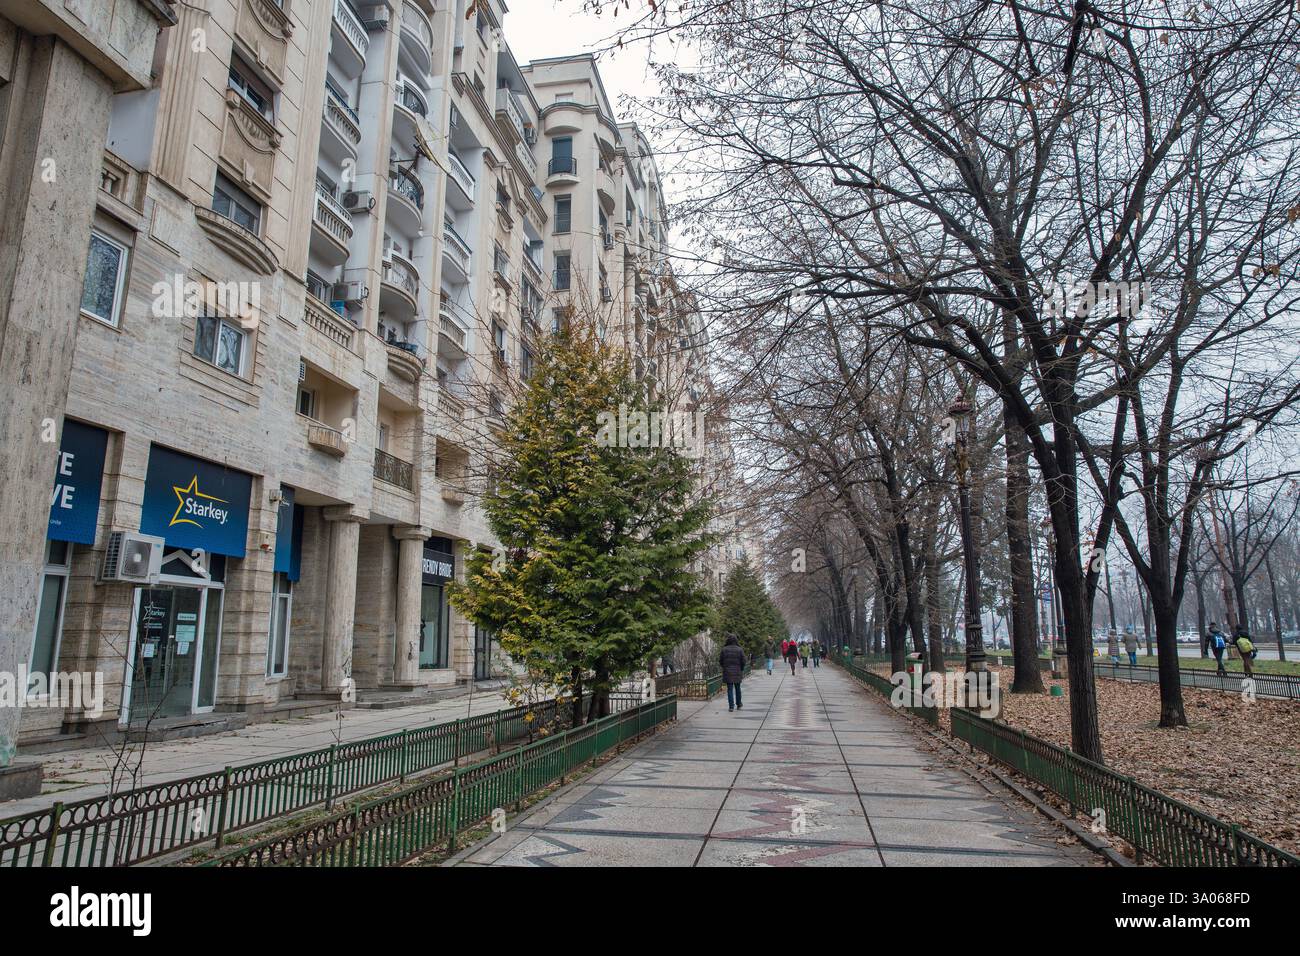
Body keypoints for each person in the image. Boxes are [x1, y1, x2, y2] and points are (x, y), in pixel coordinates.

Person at [720, 635, 746, 711]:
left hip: (728, 672)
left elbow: (721, 661)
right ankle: (739, 704)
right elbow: (743, 661)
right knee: (738, 688)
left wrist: (724, 667)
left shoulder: (724, 649)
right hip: (737, 671)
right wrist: (741, 668)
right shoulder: (739, 649)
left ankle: (731, 706)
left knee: (730, 689)